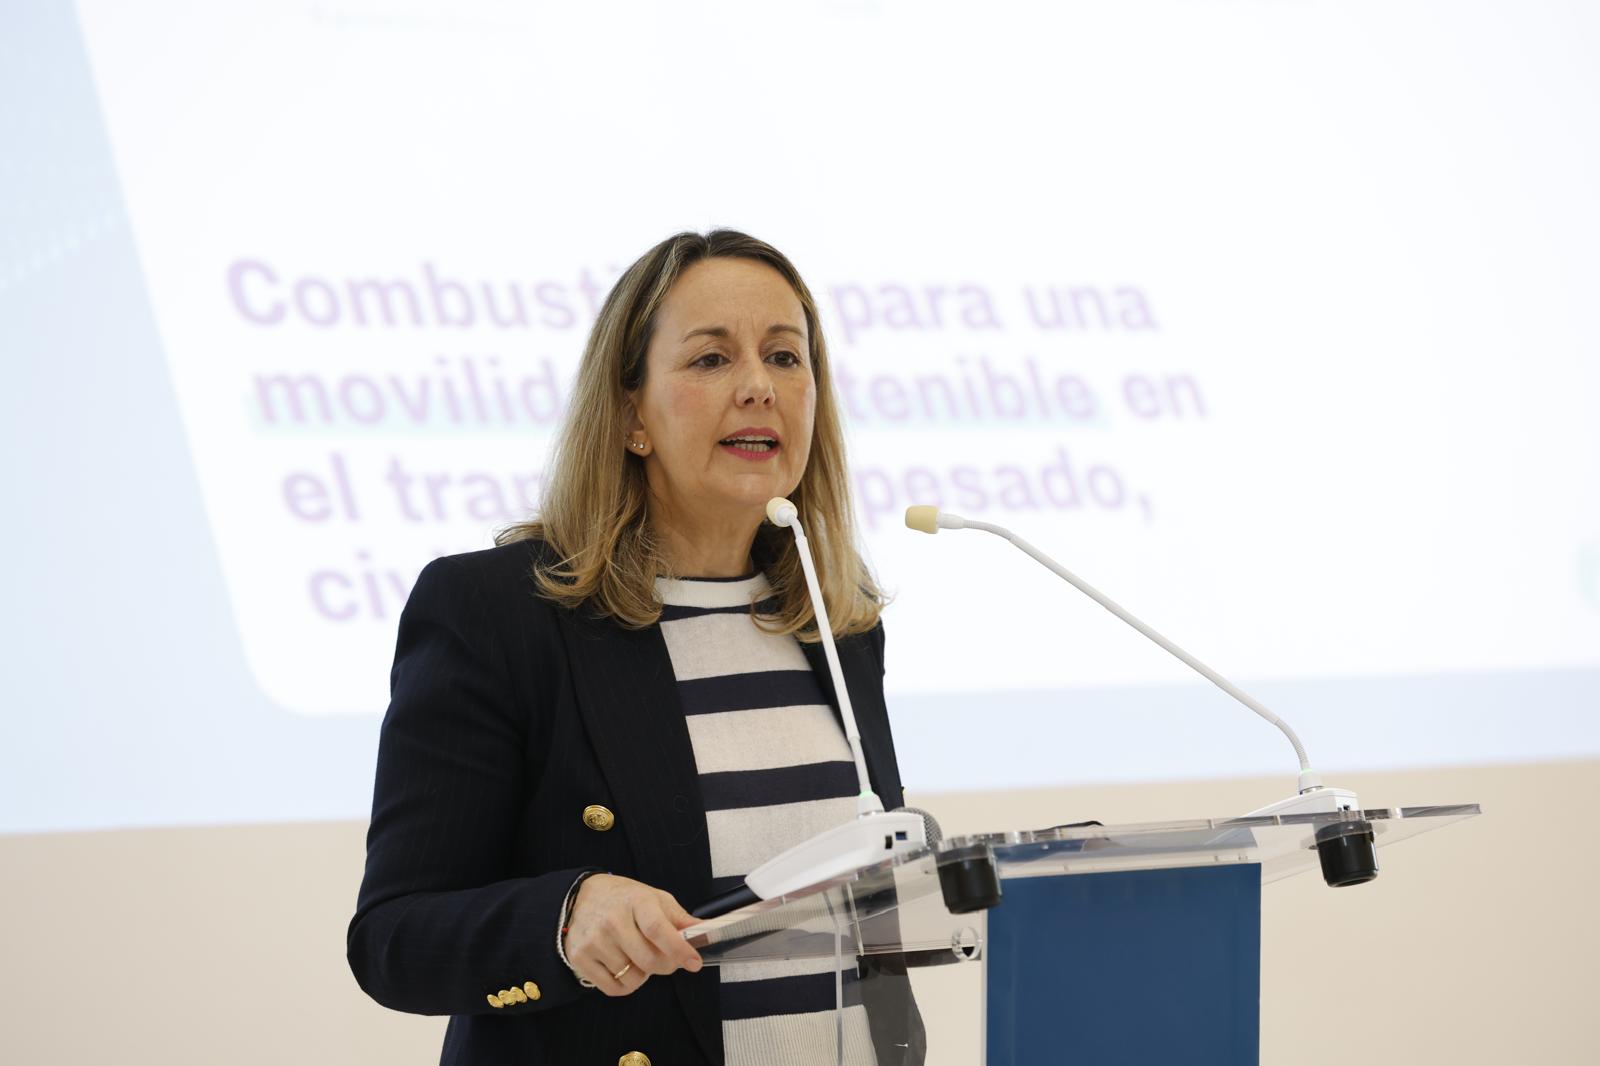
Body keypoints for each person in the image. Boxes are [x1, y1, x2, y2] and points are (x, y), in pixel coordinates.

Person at [347, 229, 922, 1065]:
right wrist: (565, 915)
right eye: (711, 359)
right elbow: (394, 938)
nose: (758, 386)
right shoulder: (498, 614)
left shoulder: (839, 620)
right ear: (631, 417)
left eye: (784, 357)